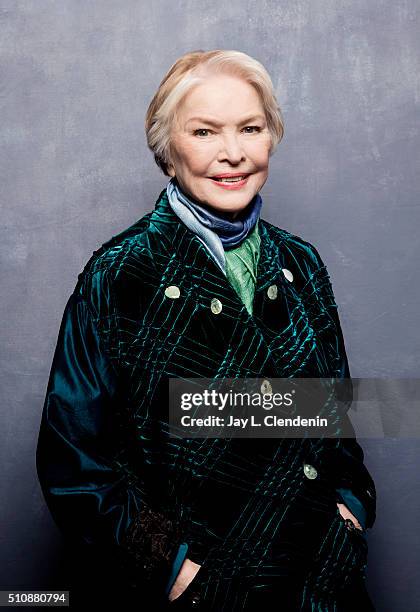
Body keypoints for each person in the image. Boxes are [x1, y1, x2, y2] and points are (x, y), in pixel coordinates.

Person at [36, 49, 376, 611]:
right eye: (204, 131)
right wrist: (171, 569)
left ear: (272, 137)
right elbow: (73, 462)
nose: (233, 153)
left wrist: (351, 509)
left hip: (322, 586)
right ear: (168, 151)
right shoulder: (120, 275)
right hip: (204, 594)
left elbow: (334, 421)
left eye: (251, 127)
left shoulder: (303, 264)